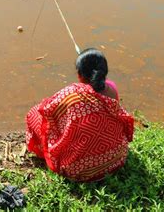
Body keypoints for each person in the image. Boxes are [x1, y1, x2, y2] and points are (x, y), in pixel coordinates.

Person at [26, 48, 134, 182]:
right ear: (104, 71)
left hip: (79, 170)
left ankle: (45, 153)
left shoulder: (72, 94)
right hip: (116, 158)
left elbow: (48, 109)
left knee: (34, 113)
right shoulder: (111, 88)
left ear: (79, 75)